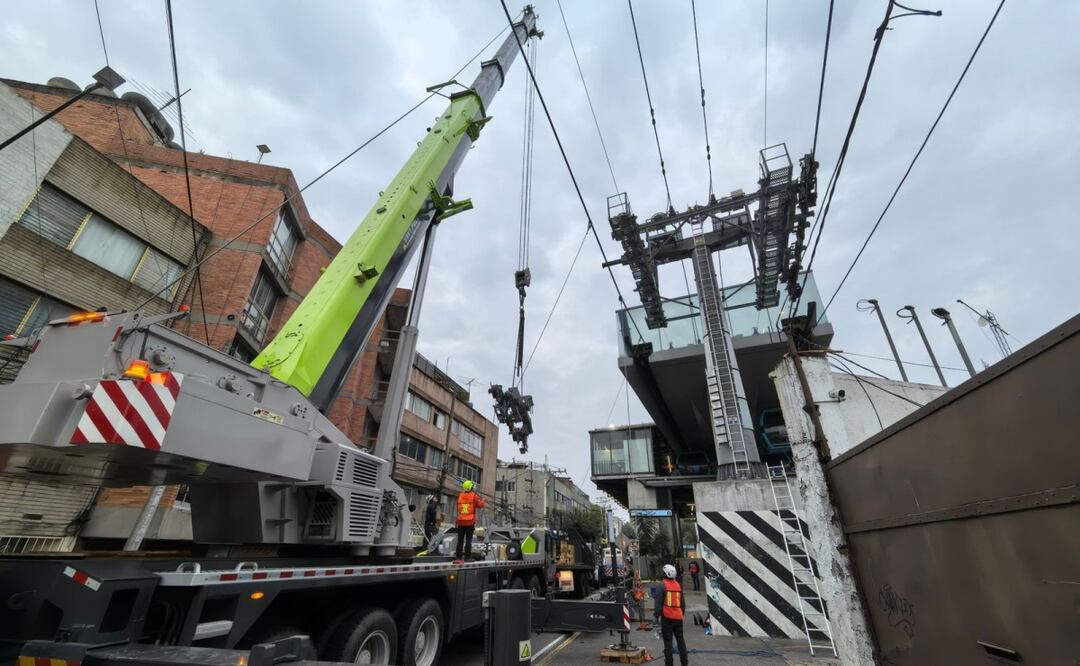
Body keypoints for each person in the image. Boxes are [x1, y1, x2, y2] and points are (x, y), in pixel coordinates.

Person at [655, 564, 688, 666]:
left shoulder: (661, 585)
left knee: (668, 642)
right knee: (680, 640)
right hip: (678, 617)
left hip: (667, 617)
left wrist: (657, 615)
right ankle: (684, 663)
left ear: (665, 574)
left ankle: (669, 664)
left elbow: (658, 602)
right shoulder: (678, 585)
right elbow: (683, 603)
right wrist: (681, 613)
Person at [453, 479, 484, 562]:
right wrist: (483, 501)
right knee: (468, 540)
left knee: (460, 540)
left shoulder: (460, 495)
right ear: (471, 487)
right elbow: (480, 505)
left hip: (460, 521)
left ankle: (458, 557)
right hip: (469, 522)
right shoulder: (474, 496)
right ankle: (467, 557)